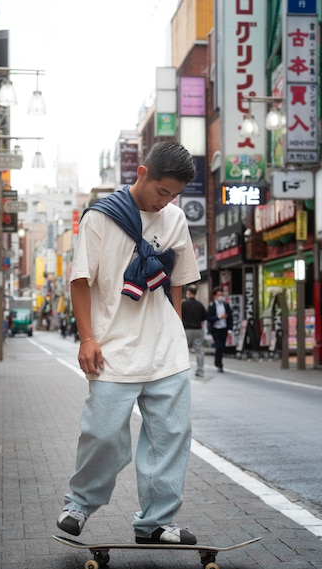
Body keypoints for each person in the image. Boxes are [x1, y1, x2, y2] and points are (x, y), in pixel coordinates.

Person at [57, 141, 201, 545]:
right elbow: (81, 281)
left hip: (165, 352)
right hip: (113, 349)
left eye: (174, 195)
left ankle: (155, 522)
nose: (166, 202)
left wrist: (174, 328)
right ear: (141, 174)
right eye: (162, 191)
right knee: (102, 435)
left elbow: (176, 281)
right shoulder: (101, 219)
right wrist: (87, 338)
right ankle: (79, 505)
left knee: (170, 437)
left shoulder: (174, 219)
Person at [182, 284, 207, 378]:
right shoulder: (200, 305)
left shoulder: (184, 304)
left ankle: (183, 372)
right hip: (198, 330)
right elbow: (205, 317)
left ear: (188, 293)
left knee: (183, 351)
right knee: (199, 351)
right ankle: (200, 371)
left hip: (187, 330)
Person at [207, 286, 233, 373]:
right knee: (218, 346)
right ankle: (219, 364)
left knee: (222, 347)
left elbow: (230, 318)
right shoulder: (212, 305)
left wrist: (230, 329)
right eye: (218, 295)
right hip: (215, 329)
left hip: (224, 328)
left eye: (221, 295)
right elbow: (209, 318)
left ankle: (218, 360)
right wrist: (219, 317)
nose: (220, 296)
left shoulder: (226, 305)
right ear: (214, 296)